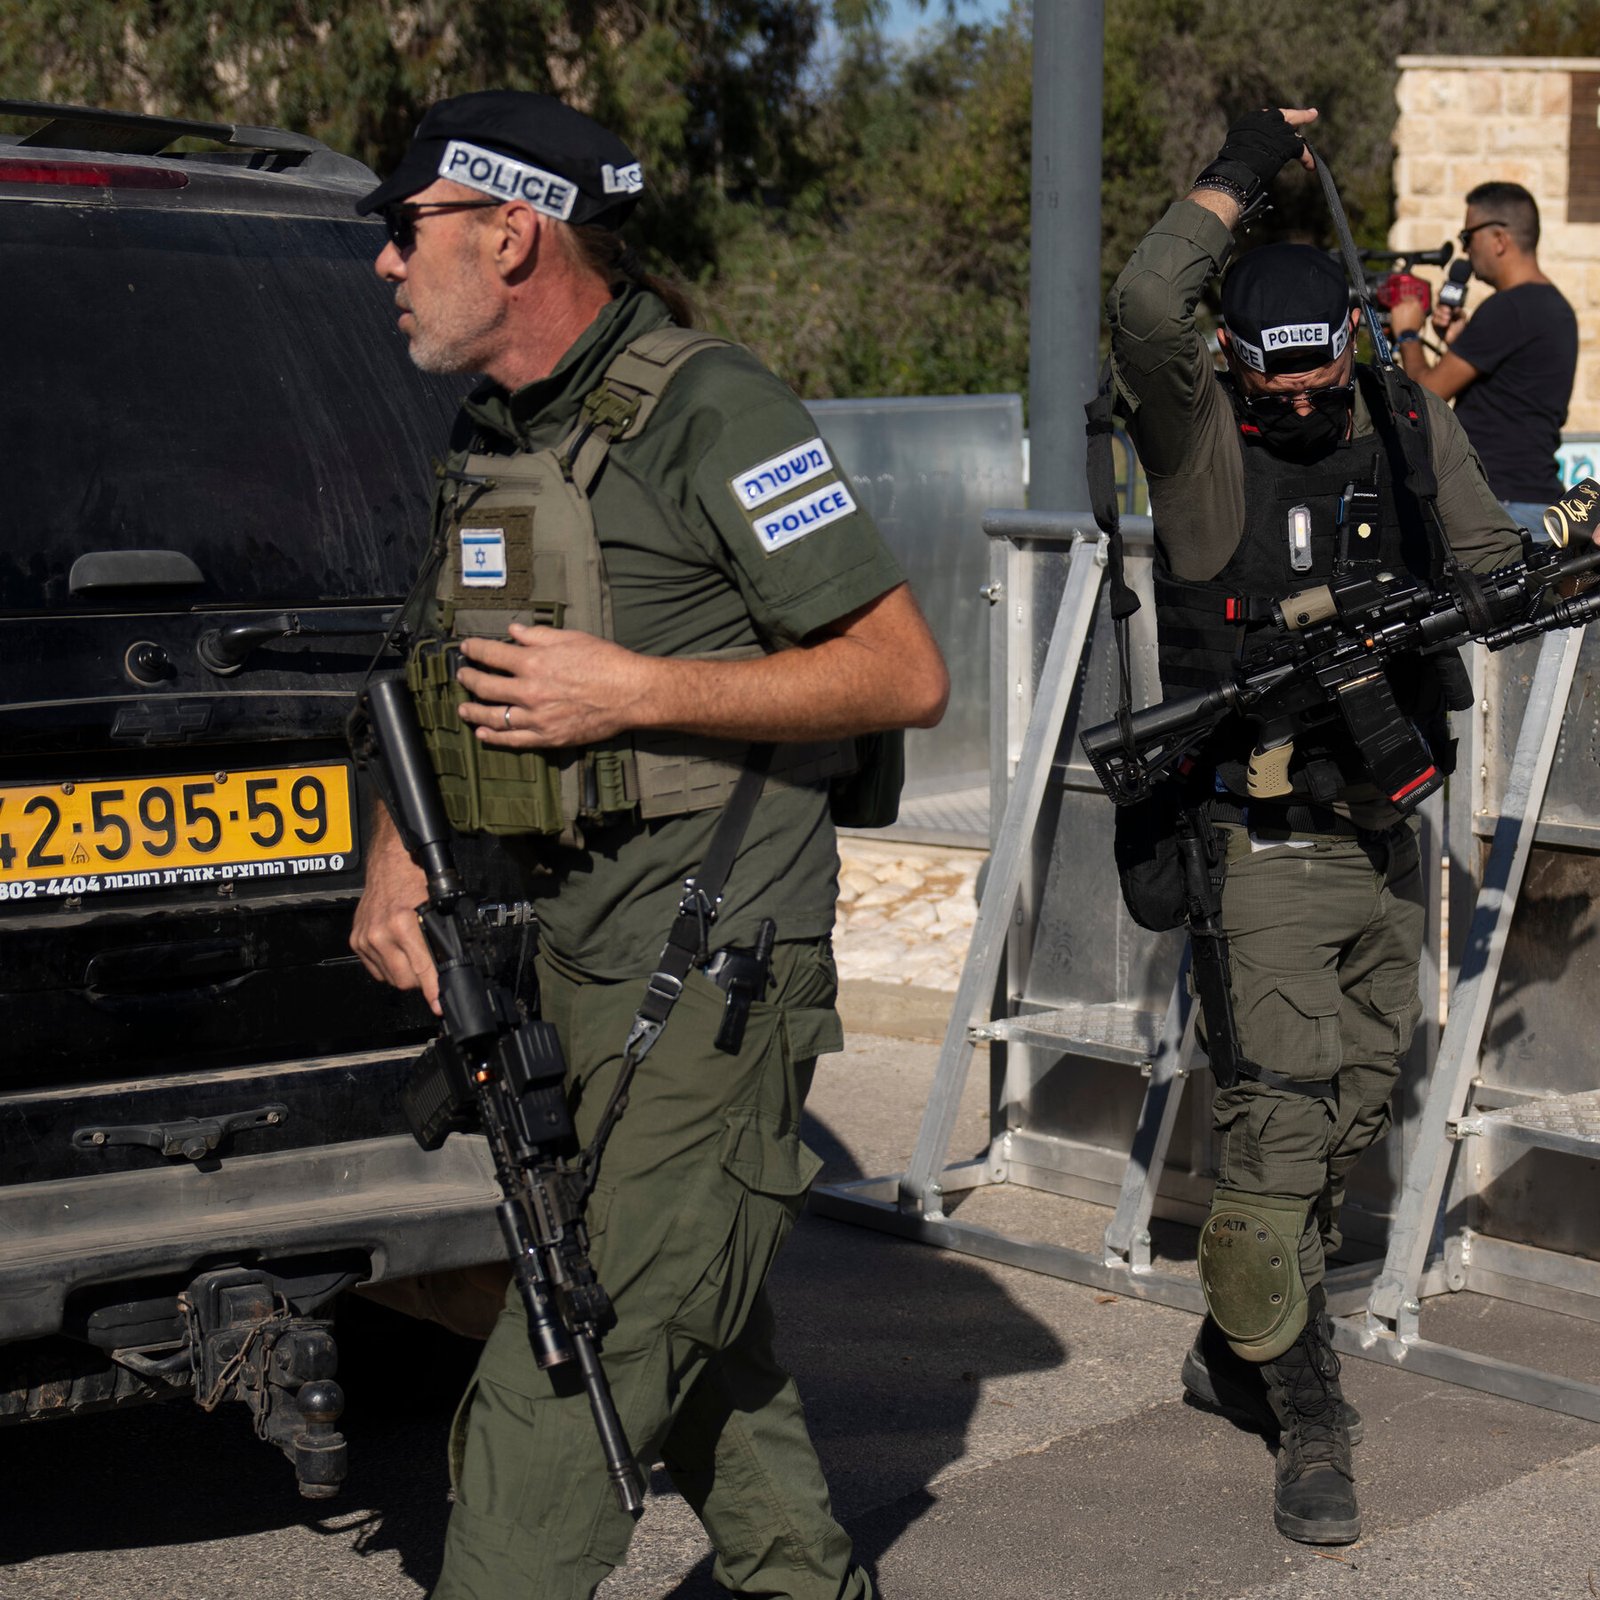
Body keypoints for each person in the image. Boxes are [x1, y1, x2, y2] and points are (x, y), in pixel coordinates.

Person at [349, 89, 948, 1600]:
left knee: (581, 1354)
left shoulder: (714, 410)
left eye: (405, 227)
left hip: (716, 949)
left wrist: (636, 692)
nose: (386, 263)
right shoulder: (501, 426)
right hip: (566, 943)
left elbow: (900, 671)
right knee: (690, 1317)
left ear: (510, 232)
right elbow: (435, 660)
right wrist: (397, 847)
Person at [1105, 107, 1528, 1547]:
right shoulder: (1201, 449)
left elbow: (1488, 557)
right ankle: (1308, 1417)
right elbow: (1145, 302)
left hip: (1384, 829)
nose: (1297, 395)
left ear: (1350, 344)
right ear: (1233, 362)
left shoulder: (1403, 416)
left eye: (1318, 368)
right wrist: (1243, 166)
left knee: (1353, 1108)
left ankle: (1235, 1346)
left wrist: (1502, 588)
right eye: (1268, 372)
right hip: (1262, 841)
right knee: (1275, 1140)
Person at [1387, 180, 1578, 534]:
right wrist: (1459, 342)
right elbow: (1510, 393)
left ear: (1499, 239)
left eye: (1467, 236)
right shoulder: (1556, 308)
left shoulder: (1507, 308)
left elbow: (1426, 395)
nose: (1465, 249)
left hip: (1499, 504)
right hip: (1536, 500)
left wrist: (1408, 334)